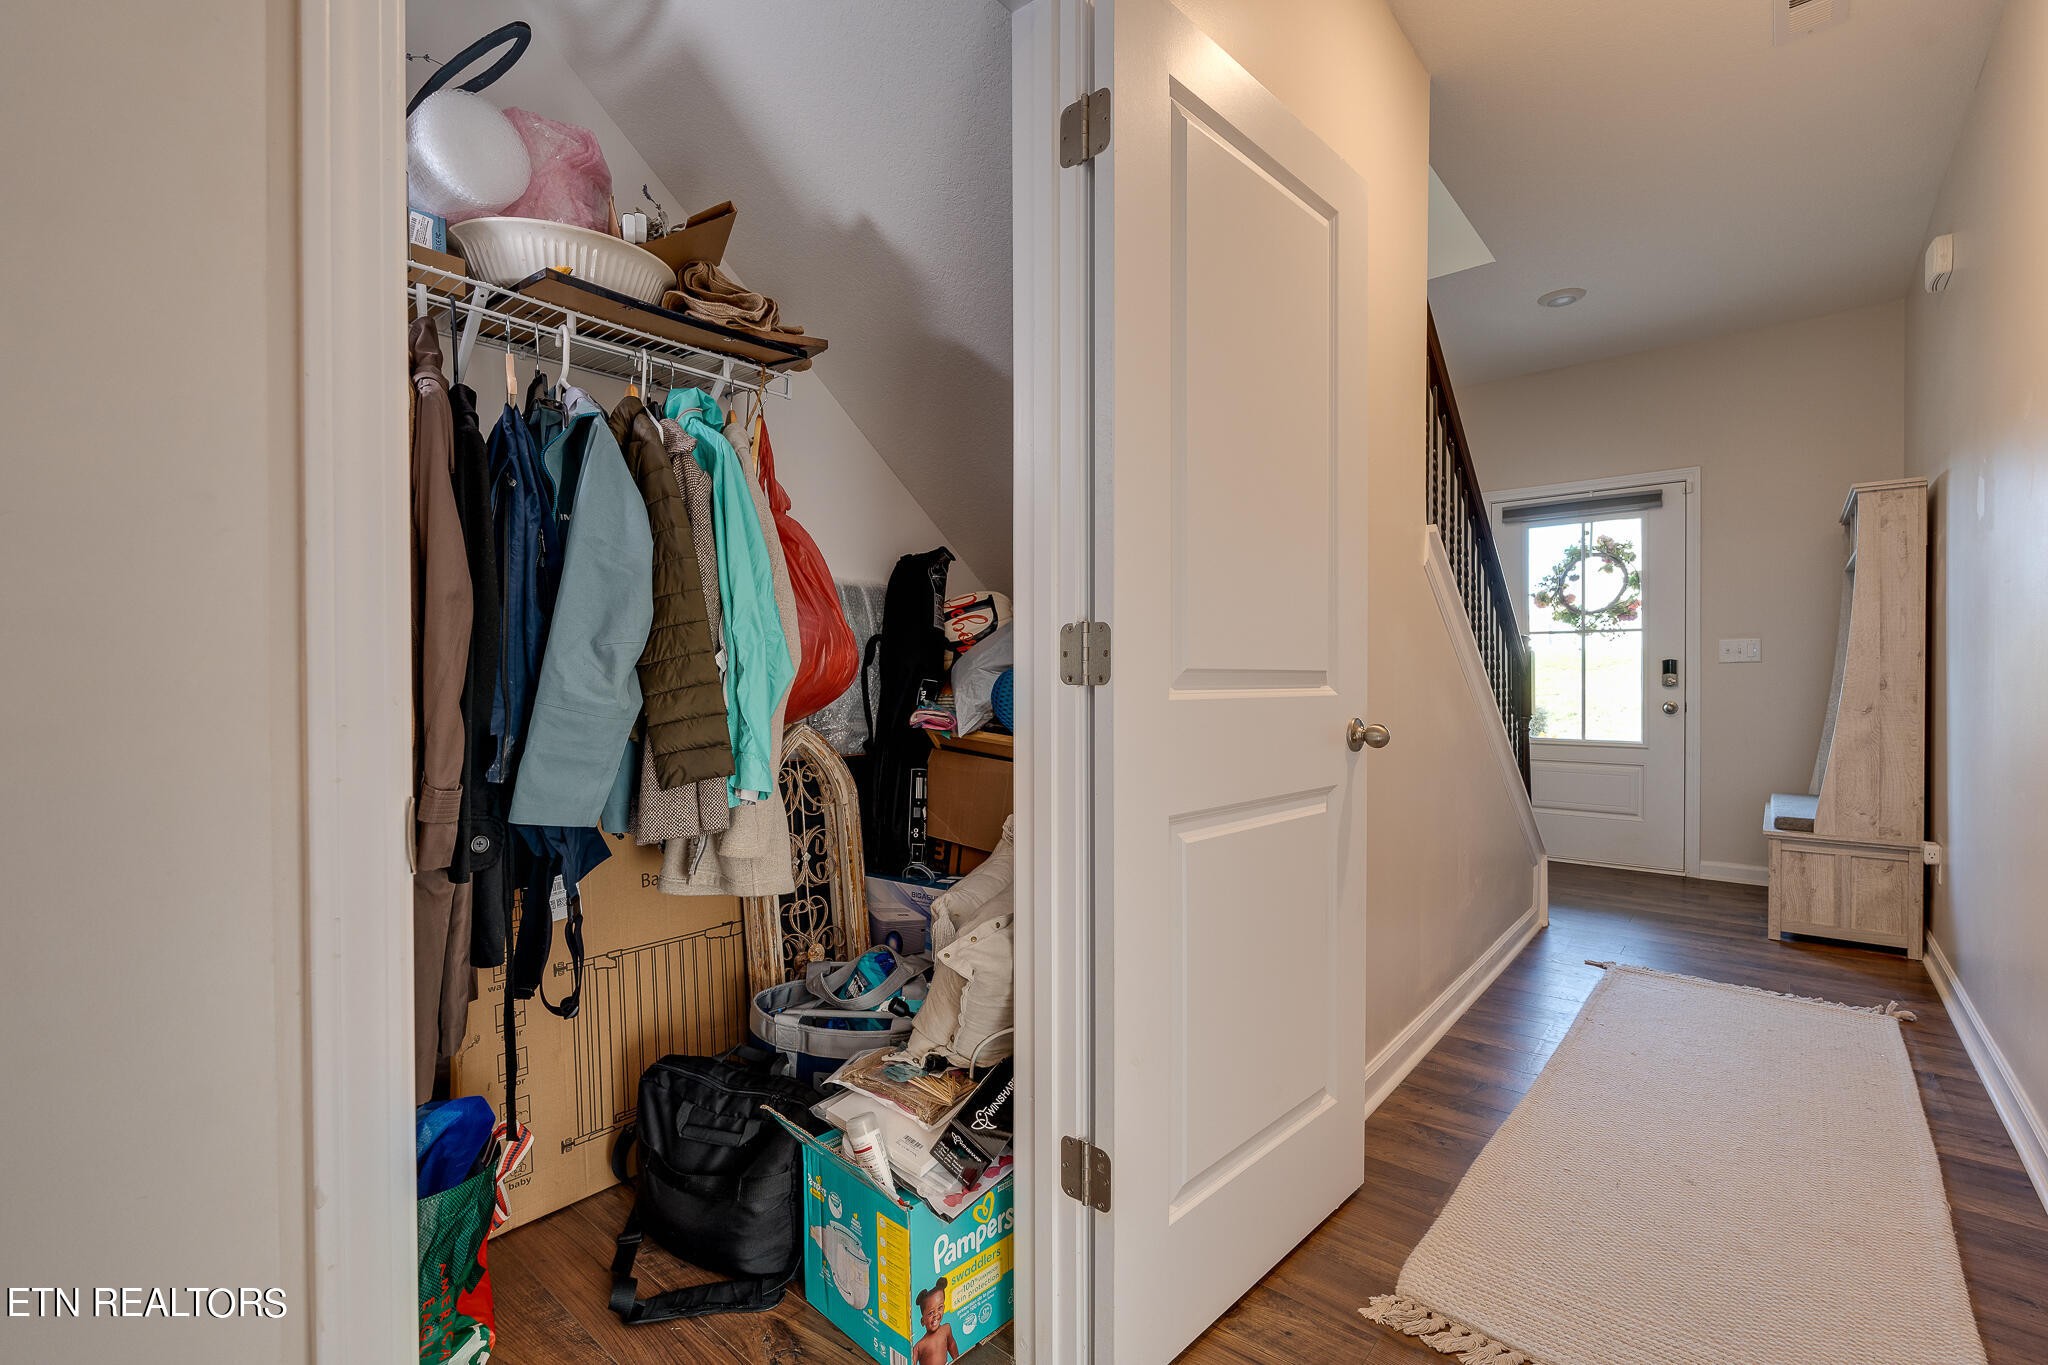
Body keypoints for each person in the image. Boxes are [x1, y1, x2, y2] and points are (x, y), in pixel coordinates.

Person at [913, 1280, 959, 1365]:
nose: (936, 1315)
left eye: (940, 1308)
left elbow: (951, 1344)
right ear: (922, 1321)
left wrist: (957, 1360)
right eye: (931, 1313)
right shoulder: (919, 1346)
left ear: (944, 1308)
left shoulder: (946, 1329)